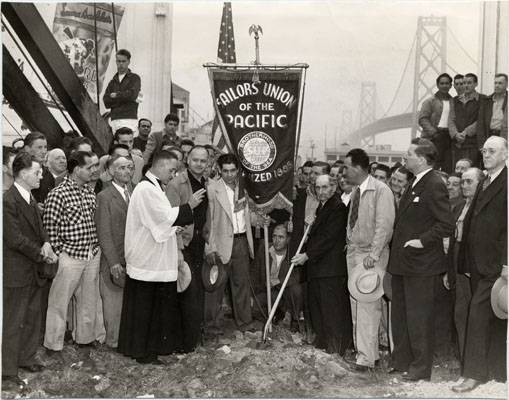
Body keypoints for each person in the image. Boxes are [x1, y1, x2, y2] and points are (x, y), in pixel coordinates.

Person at [117, 151, 205, 364]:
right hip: (147, 261)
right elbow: (163, 218)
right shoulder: (147, 189)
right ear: (161, 166)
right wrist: (189, 206)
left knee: (150, 309)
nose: (173, 175)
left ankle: (148, 350)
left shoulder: (154, 187)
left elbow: (161, 221)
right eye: (172, 170)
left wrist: (173, 225)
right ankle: (144, 353)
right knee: (147, 309)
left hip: (153, 258)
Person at [388, 138, 454, 381]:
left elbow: (446, 224)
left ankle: (420, 368)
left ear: (422, 159)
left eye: (409, 154)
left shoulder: (434, 183)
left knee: (418, 317)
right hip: (405, 264)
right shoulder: (416, 181)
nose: (405, 157)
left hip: (421, 264)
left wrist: (422, 241)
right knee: (402, 316)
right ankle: (402, 361)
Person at [452, 136, 507, 392]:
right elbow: (472, 221)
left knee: (477, 315)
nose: (486, 154)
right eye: (484, 150)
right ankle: (497, 372)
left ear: (505, 154)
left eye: (492, 151)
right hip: (477, 263)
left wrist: (507, 263)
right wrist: (465, 261)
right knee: (494, 317)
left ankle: (474, 374)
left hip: (496, 264)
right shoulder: (484, 180)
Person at [2, 153, 58, 390]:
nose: (41, 175)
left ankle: (25, 358)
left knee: (32, 316)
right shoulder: (8, 200)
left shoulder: (29, 197)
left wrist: (46, 242)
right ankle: (7, 370)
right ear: (23, 174)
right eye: (37, 172)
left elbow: (39, 226)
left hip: (33, 268)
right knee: (14, 321)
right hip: (17, 270)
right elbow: (14, 238)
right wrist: (42, 253)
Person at [43, 151, 101, 354]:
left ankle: (85, 339)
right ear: (77, 170)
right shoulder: (58, 194)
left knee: (88, 300)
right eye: (89, 167)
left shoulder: (89, 192)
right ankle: (53, 344)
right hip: (70, 256)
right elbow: (50, 228)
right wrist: (60, 254)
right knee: (59, 302)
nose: (93, 171)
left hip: (91, 254)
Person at [343, 149, 395, 371]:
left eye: (346, 167)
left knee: (367, 306)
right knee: (357, 305)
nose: (344, 172)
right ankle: (366, 354)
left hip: (369, 257)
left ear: (357, 168)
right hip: (355, 253)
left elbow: (384, 225)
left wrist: (374, 255)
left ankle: (365, 358)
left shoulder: (381, 191)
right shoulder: (357, 191)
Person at [292, 174, 350, 354]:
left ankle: (335, 349)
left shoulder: (338, 207)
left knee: (331, 309)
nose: (321, 191)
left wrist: (307, 255)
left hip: (330, 269)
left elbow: (328, 238)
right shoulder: (322, 207)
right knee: (318, 307)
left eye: (325, 187)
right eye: (318, 188)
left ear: (333, 188)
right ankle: (323, 343)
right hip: (319, 268)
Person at [204, 154, 255, 333]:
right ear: (219, 170)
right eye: (225, 171)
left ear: (238, 170)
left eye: (233, 170)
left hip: (241, 241)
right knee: (216, 284)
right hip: (220, 242)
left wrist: (260, 219)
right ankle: (212, 326)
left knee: (241, 284)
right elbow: (208, 221)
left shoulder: (244, 189)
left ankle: (244, 323)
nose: (229, 174)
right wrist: (210, 247)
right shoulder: (212, 188)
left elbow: (249, 216)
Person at [165, 145, 209, 352]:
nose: (199, 164)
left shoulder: (207, 183)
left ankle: (193, 340)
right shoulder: (176, 184)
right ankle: (183, 344)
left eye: (203, 160)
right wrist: (179, 249)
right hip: (184, 245)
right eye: (195, 160)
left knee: (197, 293)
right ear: (187, 160)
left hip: (200, 244)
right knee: (187, 294)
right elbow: (170, 219)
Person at [443, 167, 483, 360]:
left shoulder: (481, 207)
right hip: (458, 264)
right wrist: (448, 272)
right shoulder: (459, 206)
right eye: (463, 181)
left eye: (469, 182)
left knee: (474, 314)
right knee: (460, 313)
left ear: (481, 183)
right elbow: (452, 241)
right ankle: (464, 359)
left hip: (474, 266)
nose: (465, 185)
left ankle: (475, 362)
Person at [95, 155, 133, 349]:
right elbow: (104, 232)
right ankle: (113, 342)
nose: (127, 171)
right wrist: (113, 262)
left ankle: (124, 339)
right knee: (113, 302)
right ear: (111, 172)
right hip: (114, 258)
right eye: (122, 168)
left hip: (132, 257)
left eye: (130, 167)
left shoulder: (133, 192)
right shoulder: (104, 196)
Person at [252, 224, 303, 329]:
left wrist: (277, 281)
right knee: (252, 308)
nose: (277, 240)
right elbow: (254, 273)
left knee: (296, 290)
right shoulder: (264, 249)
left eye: (281, 237)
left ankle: (294, 319)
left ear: (288, 239)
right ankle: (276, 318)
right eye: (274, 236)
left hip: (285, 294)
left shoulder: (292, 253)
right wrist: (250, 295)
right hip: (268, 292)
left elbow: (296, 277)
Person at [418, 73, 454, 173]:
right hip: (433, 137)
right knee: (431, 165)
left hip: (448, 138)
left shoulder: (454, 102)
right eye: (442, 83)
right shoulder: (429, 101)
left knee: (447, 166)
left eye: (447, 83)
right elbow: (422, 119)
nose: (444, 86)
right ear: (437, 85)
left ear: (451, 85)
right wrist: (434, 133)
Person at [103, 49, 141, 133]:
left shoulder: (134, 78)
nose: (121, 64)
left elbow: (132, 95)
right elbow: (106, 101)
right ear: (116, 62)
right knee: (116, 144)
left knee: (127, 143)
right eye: (118, 61)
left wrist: (116, 95)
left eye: (123, 61)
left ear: (128, 62)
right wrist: (124, 98)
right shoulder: (112, 82)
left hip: (129, 118)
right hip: (114, 119)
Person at [449, 73, 483, 167]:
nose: (466, 85)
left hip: (473, 143)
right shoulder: (454, 100)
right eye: (464, 83)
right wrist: (455, 134)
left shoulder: (482, 99)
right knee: (457, 170)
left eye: (469, 83)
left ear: (476, 84)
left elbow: (481, 120)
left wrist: (466, 132)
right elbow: (451, 119)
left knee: (471, 170)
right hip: (457, 144)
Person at [477, 73, 508, 144]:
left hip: (504, 136)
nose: (497, 85)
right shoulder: (487, 100)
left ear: (506, 85)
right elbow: (480, 124)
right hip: (489, 136)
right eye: (495, 83)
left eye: (500, 83)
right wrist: (481, 144)